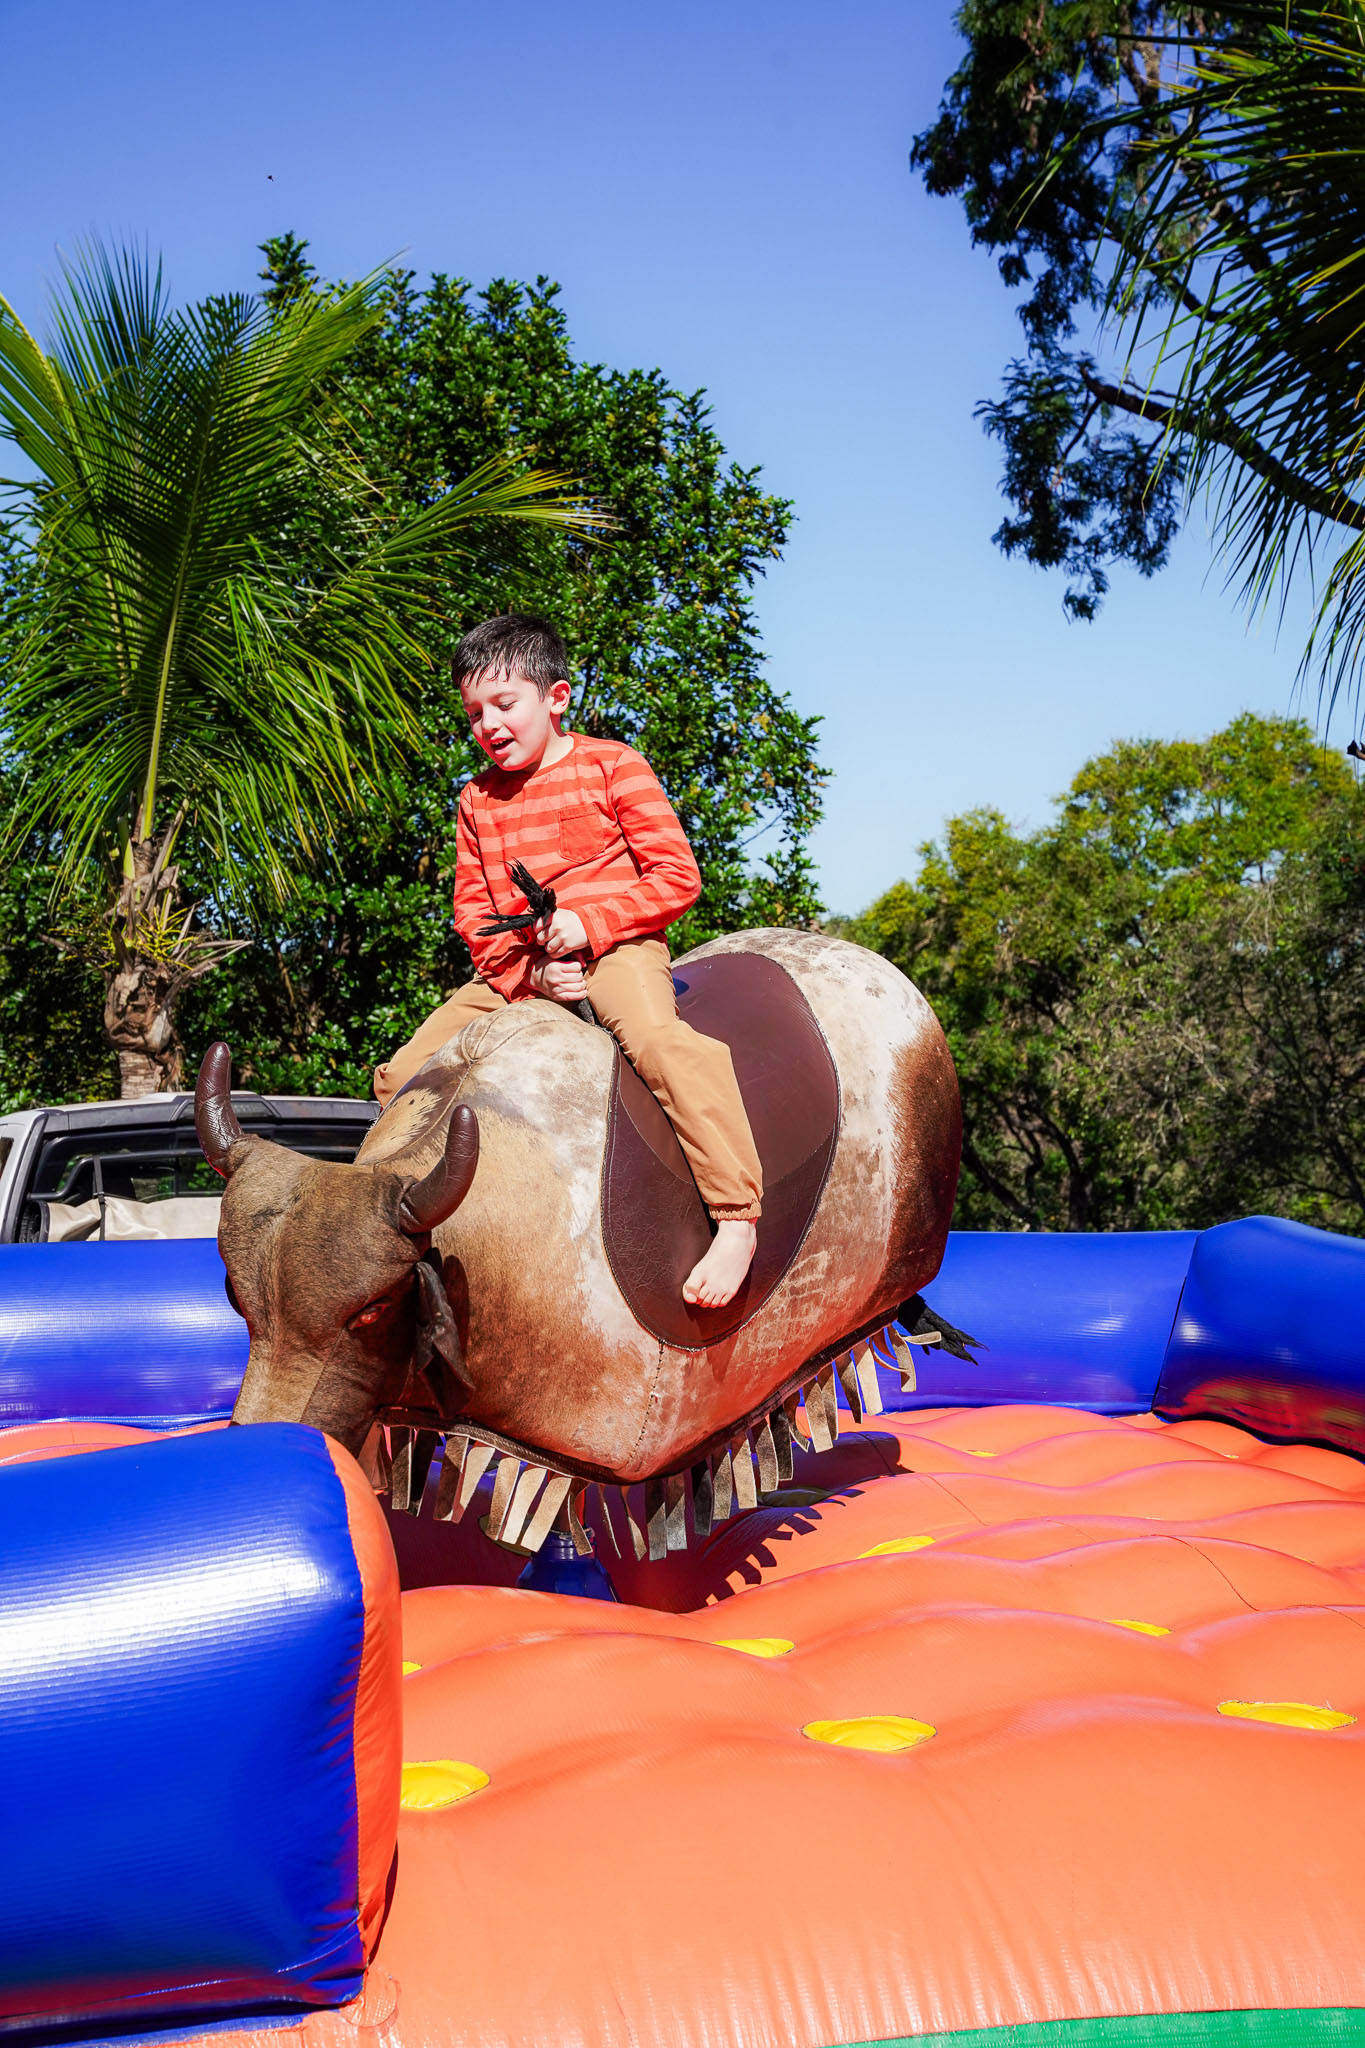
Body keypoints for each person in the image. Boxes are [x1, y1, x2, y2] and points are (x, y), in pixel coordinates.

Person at [373, 613, 762, 1310]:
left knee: (660, 1044)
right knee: (402, 1076)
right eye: (474, 713)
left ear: (555, 698)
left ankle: (736, 1219)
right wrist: (531, 977)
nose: (488, 724)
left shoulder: (613, 765)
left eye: (504, 704)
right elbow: (474, 916)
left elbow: (677, 876)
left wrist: (590, 922)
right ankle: (399, 1235)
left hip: (618, 949)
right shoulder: (475, 800)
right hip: (521, 969)